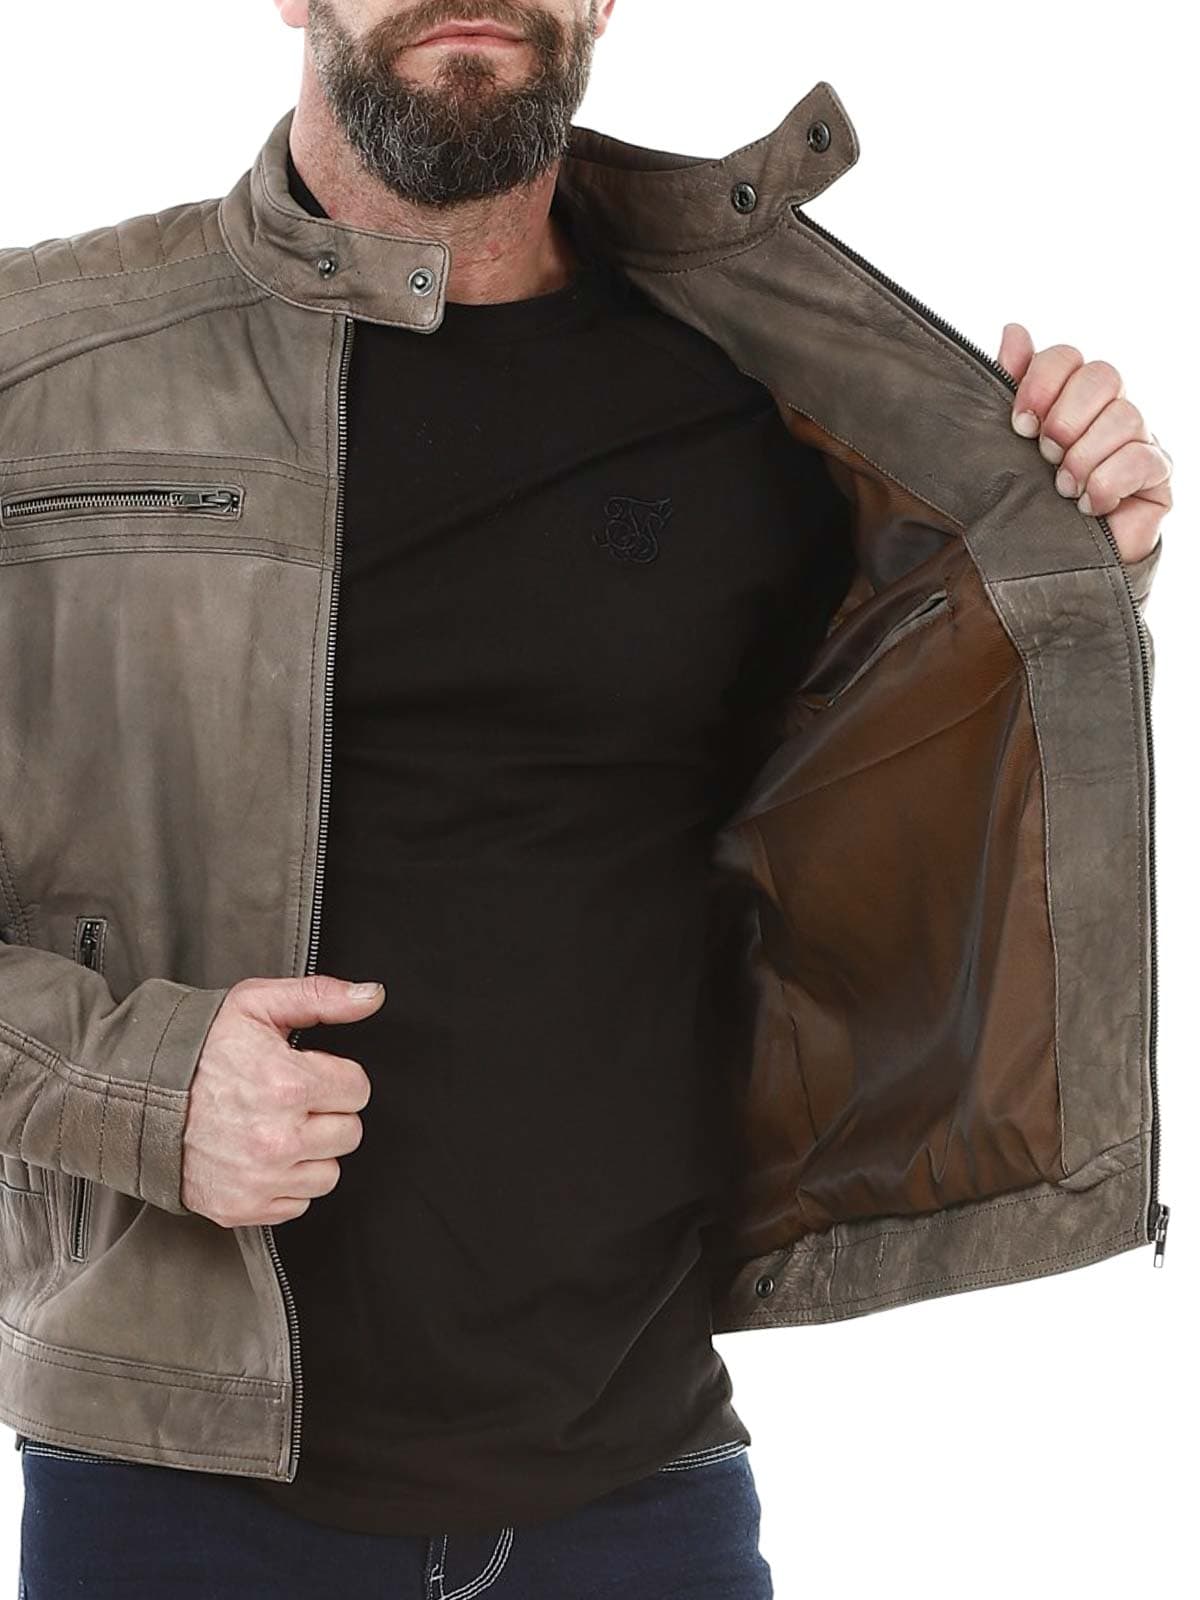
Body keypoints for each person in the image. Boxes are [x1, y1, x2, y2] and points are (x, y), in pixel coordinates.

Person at [7, 4, 1173, 1597]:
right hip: (176, 1498)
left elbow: (877, 788)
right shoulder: (44, 371)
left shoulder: (755, 389)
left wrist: (1055, 566)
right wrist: (136, 1092)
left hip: (641, 1487)